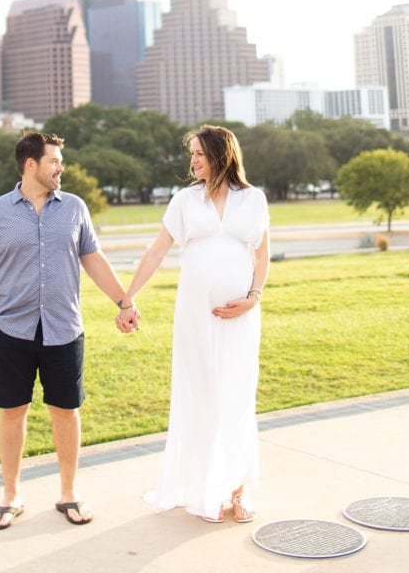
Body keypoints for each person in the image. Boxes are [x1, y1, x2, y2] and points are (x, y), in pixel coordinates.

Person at [0, 130, 140, 531]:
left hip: (64, 329)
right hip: (11, 330)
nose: (61, 167)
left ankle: (68, 493)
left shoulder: (75, 208)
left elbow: (93, 259)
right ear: (31, 165)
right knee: (13, 411)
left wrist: (124, 301)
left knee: (66, 410)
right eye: (54, 161)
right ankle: (10, 496)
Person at [116, 124, 269, 524]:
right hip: (194, 316)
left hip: (239, 317)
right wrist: (127, 298)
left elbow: (262, 256)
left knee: (235, 395)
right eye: (192, 154)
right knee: (199, 395)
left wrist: (252, 299)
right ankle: (204, 488)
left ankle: (238, 490)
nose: (193, 161)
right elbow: (156, 252)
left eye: (200, 154)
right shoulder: (184, 200)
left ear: (220, 155)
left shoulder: (253, 199)